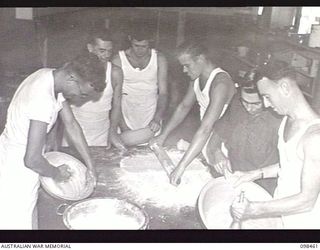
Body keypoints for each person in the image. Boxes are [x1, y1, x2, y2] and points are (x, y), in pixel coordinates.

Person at [0, 53, 106, 229]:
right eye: (82, 93)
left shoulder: (50, 76)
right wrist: (57, 174)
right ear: (72, 78)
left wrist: (91, 166)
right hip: (16, 169)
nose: (80, 98)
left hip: (17, 156)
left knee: (29, 221)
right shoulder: (42, 99)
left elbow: (71, 124)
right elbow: (32, 160)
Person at [231, 64, 320, 229]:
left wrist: (253, 209)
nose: (265, 104)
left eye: (267, 96)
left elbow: (307, 201)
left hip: (305, 224)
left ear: (284, 88)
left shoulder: (315, 137)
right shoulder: (287, 120)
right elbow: (290, 166)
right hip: (281, 211)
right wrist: (253, 174)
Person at [150, 42, 236, 185]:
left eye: (187, 65)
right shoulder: (196, 78)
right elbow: (183, 107)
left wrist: (181, 166)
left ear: (200, 59)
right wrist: (162, 136)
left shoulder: (221, 83)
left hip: (223, 146)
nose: (184, 70)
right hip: (205, 140)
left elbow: (207, 127)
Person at [208, 75, 281, 195]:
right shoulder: (237, 104)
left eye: (256, 104)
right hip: (234, 179)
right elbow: (215, 138)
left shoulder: (277, 118)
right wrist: (217, 153)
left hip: (263, 188)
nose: (249, 108)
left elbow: (288, 166)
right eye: (245, 102)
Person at [61, 28, 126, 150]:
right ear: (90, 48)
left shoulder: (115, 73)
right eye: (101, 51)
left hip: (101, 134)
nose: (106, 55)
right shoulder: (73, 69)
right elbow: (58, 103)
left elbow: (117, 106)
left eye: (109, 51)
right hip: (73, 134)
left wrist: (112, 132)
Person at [112, 25, 168, 145]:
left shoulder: (159, 59)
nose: (140, 50)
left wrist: (157, 118)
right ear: (130, 39)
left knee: (149, 153)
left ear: (150, 43)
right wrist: (122, 124)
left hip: (151, 112)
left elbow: (163, 93)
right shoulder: (118, 59)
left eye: (144, 46)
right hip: (125, 112)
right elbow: (114, 97)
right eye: (136, 46)